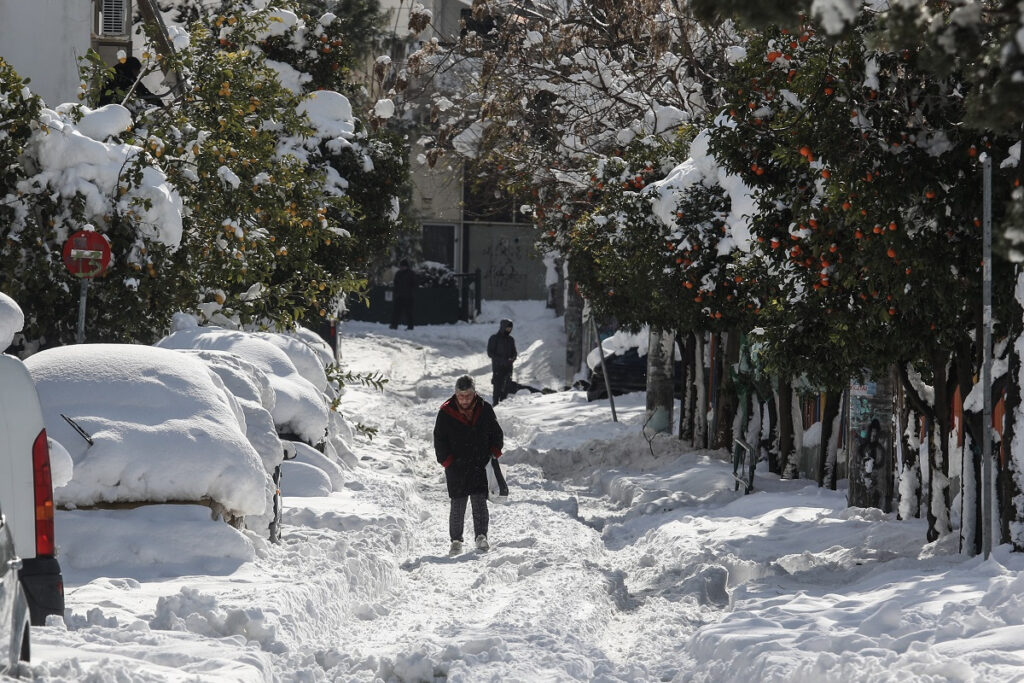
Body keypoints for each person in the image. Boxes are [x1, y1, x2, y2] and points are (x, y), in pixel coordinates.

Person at [433, 375, 503, 555]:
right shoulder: (446, 412)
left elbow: (496, 433)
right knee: (458, 505)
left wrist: (494, 453)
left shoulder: (485, 409)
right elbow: (439, 440)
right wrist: (447, 461)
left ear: (474, 393)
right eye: (461, 395)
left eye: (468, 395)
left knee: (480, 503)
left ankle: (481, 536)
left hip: (480, 464)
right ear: (455, 394)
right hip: (456, 466)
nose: (464, 399)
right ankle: (456, 540)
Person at [98, 57, 163, 111]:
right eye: (136, 70)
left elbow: (142, 90)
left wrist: (157, 102)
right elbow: (141, 90)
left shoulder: (128, 75)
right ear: (131, 68)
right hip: (108, 107)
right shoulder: (119, 75)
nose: (138, 73)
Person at [486, 319, 517, 404]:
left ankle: (503, 406)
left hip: (508, 367)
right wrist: (501, 359)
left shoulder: (511, 340)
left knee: (506, 388)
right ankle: (495, 406)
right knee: (497, 388)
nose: (509, 330)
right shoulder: (494, 338)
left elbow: (514, 352)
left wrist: (513, 358)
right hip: (498, 367)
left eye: (510, 328)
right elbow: (490, 353)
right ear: (503, 327)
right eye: (507, 328)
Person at [390, 259, 416, 330]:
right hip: (399, 296)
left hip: (409, 297)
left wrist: (410, 292)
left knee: (409, 313)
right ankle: (394, 325)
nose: (402, 267)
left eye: (403, 266)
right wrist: (396, 293)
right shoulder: (398, 273)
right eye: (401, 266)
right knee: (396, 312)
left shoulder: (411, 273)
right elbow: (396, 284)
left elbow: (414, 284)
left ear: (407, 266)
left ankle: (410, 326)